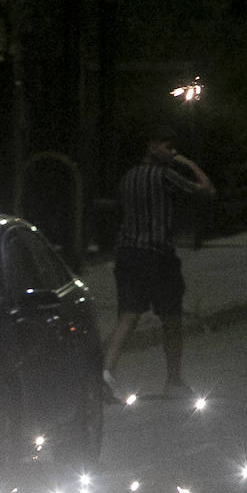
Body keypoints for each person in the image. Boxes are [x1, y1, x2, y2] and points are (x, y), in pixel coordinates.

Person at [102, 124, 215, 399]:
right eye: (168, 147)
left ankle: (105, 373)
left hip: (128, 254)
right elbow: (207, 191)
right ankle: (174, 381)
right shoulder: (166, 176)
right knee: (171, 318)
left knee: (128, 315)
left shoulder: (128, 178)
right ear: (153, 147)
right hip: (158, 256)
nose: (173, 152)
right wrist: (188, 163)